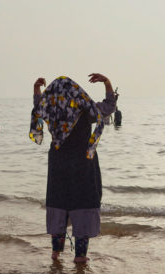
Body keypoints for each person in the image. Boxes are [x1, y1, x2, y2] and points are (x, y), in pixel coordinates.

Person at [30, 74, 117, 263]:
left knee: (59, 202)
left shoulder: (51, 110)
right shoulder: (85, 110)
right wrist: (107, 82)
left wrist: (37, 88)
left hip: (58, 164)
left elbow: (39, 104)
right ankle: (80, 255)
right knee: (83, 202)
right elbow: (110, 107)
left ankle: (55, 253)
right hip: (82, 164)